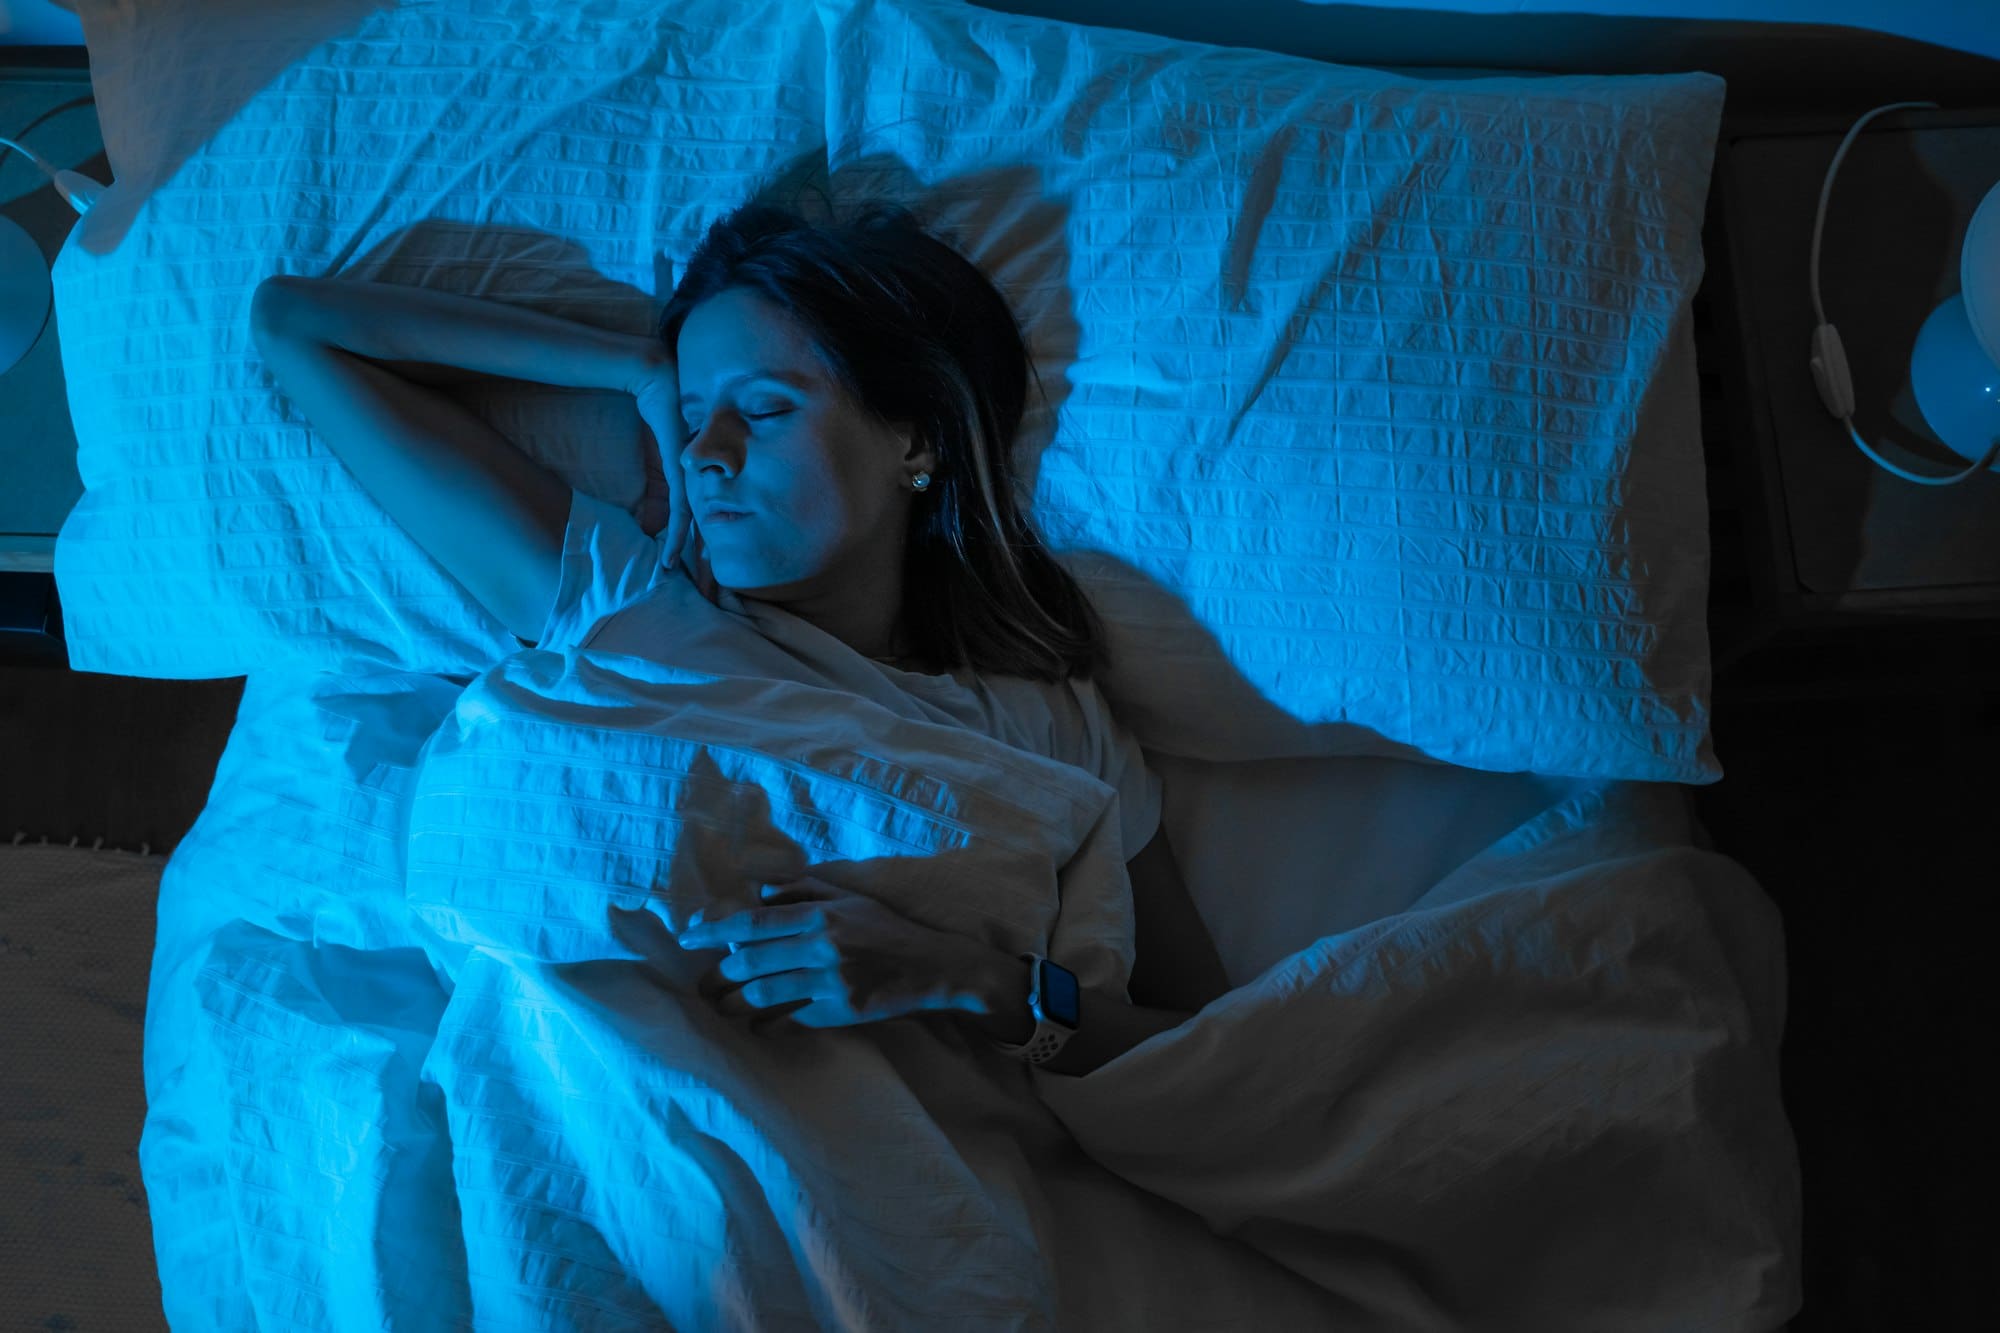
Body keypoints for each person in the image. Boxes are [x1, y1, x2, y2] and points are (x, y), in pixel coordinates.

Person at [249, 195, 1233, 1078]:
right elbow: (294, 328)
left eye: (762, 410)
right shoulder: (622, 601)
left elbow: (1213, 1050)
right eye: (690, 416)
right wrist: (631, 365)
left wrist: (968, 978)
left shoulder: (1055, 725)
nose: (705, 454)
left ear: (914, 440)